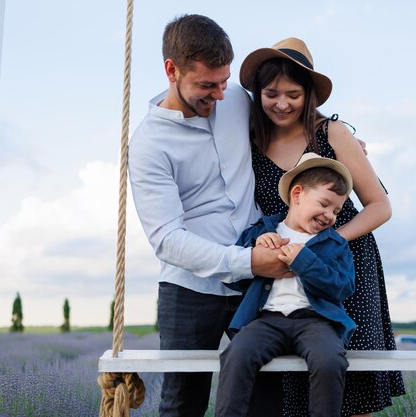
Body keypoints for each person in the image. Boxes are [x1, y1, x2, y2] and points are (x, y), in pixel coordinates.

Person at [127, 15, 290, 417]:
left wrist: (335, 136)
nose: (219, 94)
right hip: (188, 291)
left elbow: (288, 117)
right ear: (171, 70)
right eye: (206, 85)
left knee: (267, 400)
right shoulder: (148, 146)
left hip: (255, 285)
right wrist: (247, 261)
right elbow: (166, 238)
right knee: (183, 403)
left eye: (224, 81)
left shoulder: (235, 99)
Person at [238, 37, 406, 416]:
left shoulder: (331, 133)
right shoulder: (249, 141)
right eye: (271, 93)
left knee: (355, 383)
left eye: (293, 94)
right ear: (258, 95)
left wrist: (328, 241)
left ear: (309, 94)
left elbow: (380, 206)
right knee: (296, 386)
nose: (282, 103)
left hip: (346, 264)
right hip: (283, 275)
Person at [215, 153, 357, 417]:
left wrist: (305, 262)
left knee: (329, 360)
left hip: (315, 322)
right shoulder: (264, 231)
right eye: (324, 204)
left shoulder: (335, 244)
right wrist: (255, 248)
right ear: (297, 194)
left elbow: (343, 287)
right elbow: (236, 275)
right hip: (266, 321)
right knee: (237, 354)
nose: (329, 215)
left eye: (336, 211)